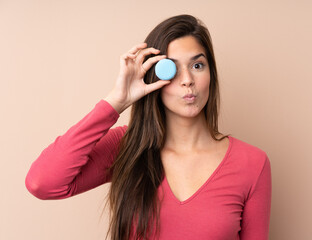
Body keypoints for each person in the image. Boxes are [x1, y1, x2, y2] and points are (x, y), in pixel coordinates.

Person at [25, 14, 272, 240]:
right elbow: (42, 183)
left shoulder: (252, 163)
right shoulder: (128, 146)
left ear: (211, 74)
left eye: (197, 65)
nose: (187, 80)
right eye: (172, 69)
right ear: (154, 76)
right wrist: (116, 102)